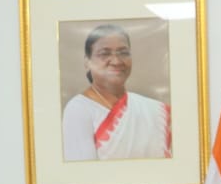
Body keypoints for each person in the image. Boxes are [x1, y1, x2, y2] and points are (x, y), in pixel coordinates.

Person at [61, 24, 171, 161]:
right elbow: (84, 175)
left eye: (123, 53)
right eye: (104, 53)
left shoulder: (153, 110)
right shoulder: (79, 109)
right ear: (87, 62)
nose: (116, 61)